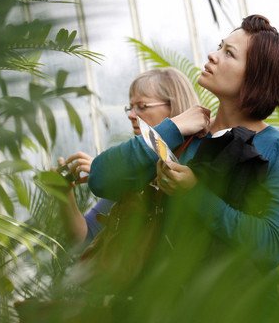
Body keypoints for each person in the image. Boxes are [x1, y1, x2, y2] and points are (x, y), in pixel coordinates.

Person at [82, 15, 279, 275]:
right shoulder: (185, 135)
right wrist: (172, 128)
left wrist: (193, 193)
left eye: (229, 54)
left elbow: (272, 247)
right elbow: (101, 178)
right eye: (220, 46)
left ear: (257, 75)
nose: (213, 55)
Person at [56, 68, 199, 245]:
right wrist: (64, 194)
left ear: (174, 108)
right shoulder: (134, 165)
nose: (132, 115)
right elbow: (86, 237)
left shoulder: (198, 157)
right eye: (130, 107)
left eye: (142, 106)